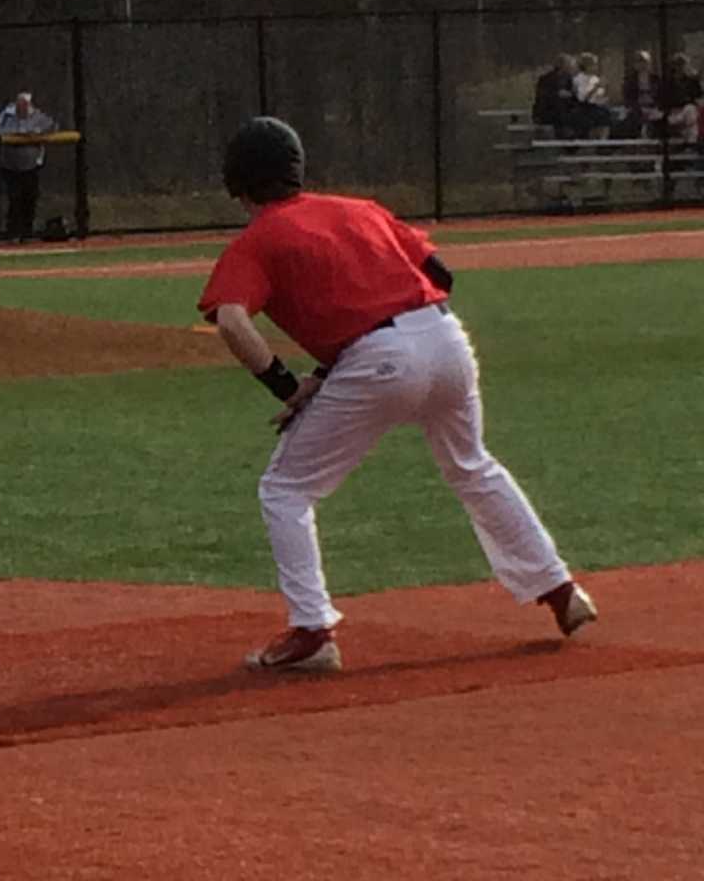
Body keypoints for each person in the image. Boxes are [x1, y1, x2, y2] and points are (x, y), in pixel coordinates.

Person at [198, 117, 596, 673]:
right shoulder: (359, 209)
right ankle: (560, 590)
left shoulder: (258, 239)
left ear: (236, 181)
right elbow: (439, 271)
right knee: (471, 465)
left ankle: (312, 631)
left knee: (285, 489)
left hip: (379, 359)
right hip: (445, 337)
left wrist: (289, 387)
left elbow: (233, 323)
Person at [0, 91, 56, 243]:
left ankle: (27, 233)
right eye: (20, 105)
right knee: (14, 199)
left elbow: (51, 127)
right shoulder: (7, 115)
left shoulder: (37, 116)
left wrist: (36, 134)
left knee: (30, 198)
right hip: (10, 165)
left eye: (26, 105)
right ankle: (12, 233)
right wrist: (21, 134)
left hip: (31, 165)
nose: (23, 108)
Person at [530, 54, 577, 138]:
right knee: (560, 109)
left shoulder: (569, 79)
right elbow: (542, 98)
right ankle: (565, 137)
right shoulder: (546, 79)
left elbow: (574, 95)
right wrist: (557, 94)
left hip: (563, 112)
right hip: (548, 112)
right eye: (570, 65)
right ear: (563, 65)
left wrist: (570, 94)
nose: (572, 68)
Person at [659, 54, 702, 145]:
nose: (680, 67)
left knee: (690, 111)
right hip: (673, 113)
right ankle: (689, 144)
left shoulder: (692, 81)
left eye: (682, 64)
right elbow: (663, 100)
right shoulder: (667, 82)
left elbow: (697, 98)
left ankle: (690, 144)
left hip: (688, 112)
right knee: (689, 121)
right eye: (677, 64)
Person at [616, 51, 656, 140]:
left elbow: (660, 96)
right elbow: (627, 97)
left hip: (653, 107)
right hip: (636, 108)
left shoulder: (656, 79)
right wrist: (637, 107)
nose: (643, 65)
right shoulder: (629, 80)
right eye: (639, 62)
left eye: (645, 62)